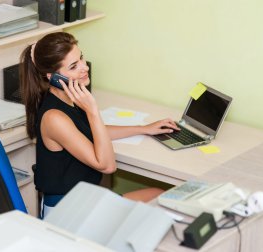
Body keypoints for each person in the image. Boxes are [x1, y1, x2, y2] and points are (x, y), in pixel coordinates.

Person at [19, 32, 179, 218]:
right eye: (73, 66)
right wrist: (92, 110)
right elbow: (107, 166)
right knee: (159, 207)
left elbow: (92, 132)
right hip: (67, 212)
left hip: (85, 198)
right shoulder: (55, 118)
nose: (84, 67)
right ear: (52, 77)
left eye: (81, 58)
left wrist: (144, 128)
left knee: (157, 195)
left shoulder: (68, 97)